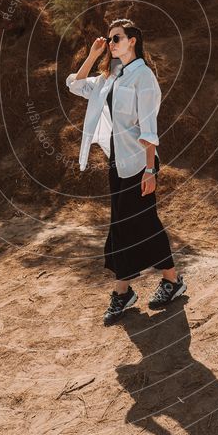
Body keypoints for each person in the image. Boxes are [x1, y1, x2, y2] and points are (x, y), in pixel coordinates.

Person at [65, 18, 187, 326]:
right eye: (109, 39)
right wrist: (93, 55)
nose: (112, 43)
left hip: (139, 164)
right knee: (133, 223)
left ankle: (124, 291)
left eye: (116, 38)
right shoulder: (112, 76)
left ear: (132, 40)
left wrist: (150, 169)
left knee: (133, 224)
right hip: (117, 163)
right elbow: (75, 85)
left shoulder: (142, 77)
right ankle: (169, 281)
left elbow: (149, 126)